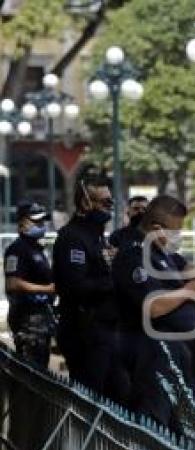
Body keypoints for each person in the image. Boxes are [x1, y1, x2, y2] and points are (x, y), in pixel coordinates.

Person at [112, 195, 195, 427]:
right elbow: (154, 306)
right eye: (175, 231)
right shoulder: (134, 255)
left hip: (172, 355)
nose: (177, 236)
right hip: (149, 359)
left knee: (181, 425)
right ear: (157, 228)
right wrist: (190, 290)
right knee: (155, 426)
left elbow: (182, 266)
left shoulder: (159, 253)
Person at [53, 167, 126, 401]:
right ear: (85, 204)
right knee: (91, 401)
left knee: (118, 396)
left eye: (110, 202)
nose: (108, 207)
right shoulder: (73, 237)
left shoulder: (97, 237)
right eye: (104, 203)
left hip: (103, 331)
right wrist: (113, 281)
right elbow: (74, 286)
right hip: (85, 333)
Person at [3, 202, 55, 368]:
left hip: (42, 317)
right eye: (36, 222)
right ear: (22, 223)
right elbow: (12, 283)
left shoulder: (36, 248)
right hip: (27, 319)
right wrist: (48, 289)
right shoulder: (17, 249)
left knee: (42, 368)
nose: (41, 226)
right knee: (32, 373)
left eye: (42, 222)